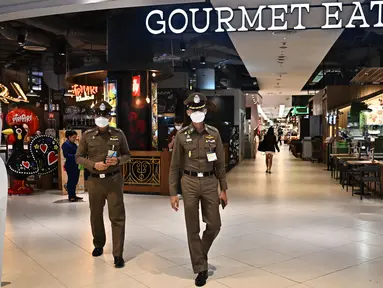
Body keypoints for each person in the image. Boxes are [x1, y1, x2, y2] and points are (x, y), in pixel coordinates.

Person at [169, 92, 228, 287]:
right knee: (192, 227)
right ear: (188, 112)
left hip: (211, 182)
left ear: (205, 111)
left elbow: (220, 163)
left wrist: (223, 188)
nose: (197, 113)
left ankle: (200, 254)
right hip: (189, 183)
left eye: (201, 110)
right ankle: (200, 268)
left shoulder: (214, 133)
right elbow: (174, 166)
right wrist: (173, 193)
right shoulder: (181, 135)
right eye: (193, 111)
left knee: (215, 224)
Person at [76, 101, 131, 268]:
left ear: (110, 117)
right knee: (96, 215)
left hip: (113, 180)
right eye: (99, 115)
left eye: (105, 115)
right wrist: (93, 165)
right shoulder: (87, 135)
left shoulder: (118, 134)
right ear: (95, 116)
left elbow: (128, 155)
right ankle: (98, 244)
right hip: (94, 181)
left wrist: (118, 160)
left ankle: (118, 254)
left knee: (117, 216)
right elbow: (78, 157)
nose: (102, 118)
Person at [62, 130, 82, 202]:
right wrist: (76, 156)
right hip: (70, 165)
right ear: (69, 137)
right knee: (71, 180)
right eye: (73, 137)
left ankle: (73, 194)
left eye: (75, 137)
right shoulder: (65, 144)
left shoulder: (74, 144)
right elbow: (66, 155)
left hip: (76, 164)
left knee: (75, 180)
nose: (75, 138)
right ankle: (71, 196)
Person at [168, 116, 184, 199]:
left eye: (179, 124)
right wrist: (173, 140)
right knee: (176, 175)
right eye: (176, 124)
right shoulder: (172, 133)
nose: (177, 125)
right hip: (174, 157)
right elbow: (169, 147)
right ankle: (177, 192)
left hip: (184, 158)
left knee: (183, 175)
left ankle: (184, 191)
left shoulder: (185, 132)